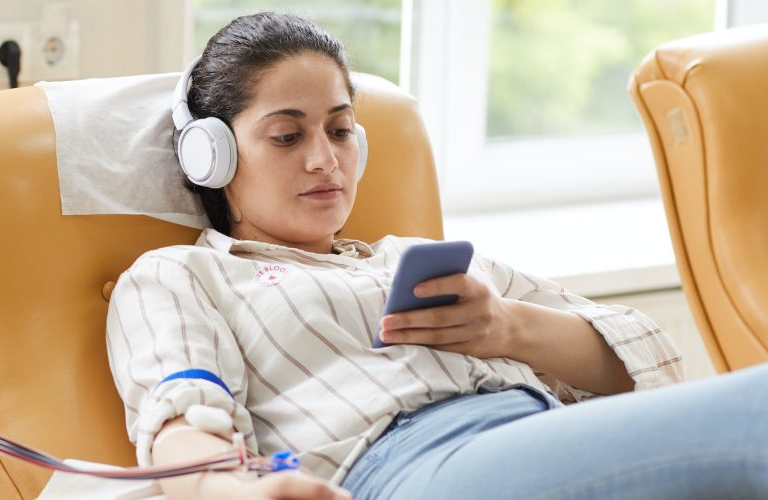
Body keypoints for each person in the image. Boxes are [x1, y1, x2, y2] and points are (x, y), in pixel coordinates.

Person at [106, 12, 768, 500]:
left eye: (340, 130)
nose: (323, 159)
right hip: (408, 468)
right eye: (286, 136)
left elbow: (647, 364)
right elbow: (180, 426)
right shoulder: (182, 275)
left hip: (529, 438)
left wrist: (507, 326)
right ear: (212, 155)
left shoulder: (424, 261)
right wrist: (244, 492)